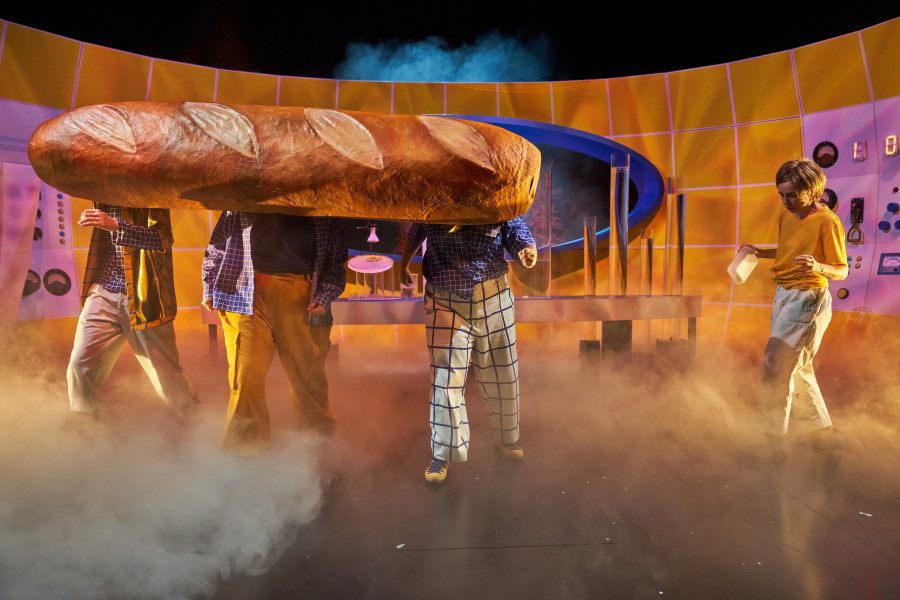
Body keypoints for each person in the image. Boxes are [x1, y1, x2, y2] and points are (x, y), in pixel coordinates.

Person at [400, 218, 537, 483]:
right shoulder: (435, 197)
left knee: (502, 372)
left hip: (493, 295)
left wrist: (525, 248)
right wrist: (403, 264)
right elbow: (416, 228)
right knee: (445, 378)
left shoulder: (493, 194)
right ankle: (443, 452)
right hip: (445, 297)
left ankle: (506, 438)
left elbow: (514, 224)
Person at [201, 212, 347, 451]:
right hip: (247, 293)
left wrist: (324, 296)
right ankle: (245, 455)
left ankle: (318, 452)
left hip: (302, 296)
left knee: (308, 379)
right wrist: (209, 286)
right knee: (245, 376)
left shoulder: (324, 205)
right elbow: (217, 247)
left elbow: (336, 259)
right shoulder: (242, 200)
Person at [740, 158, 848, 445]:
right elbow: (788, 250)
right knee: (797, 367)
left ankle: (771, 442)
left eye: (792, 195)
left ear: (812, 192)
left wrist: (817, 266)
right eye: (781, 194)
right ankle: (821, 431)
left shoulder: (827, 222)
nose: (785, 201)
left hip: (808, 299)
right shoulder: (787, 214)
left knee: (775, 366)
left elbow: (842, 270)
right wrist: (759, 252)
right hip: (783, 294)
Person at [67, 204, 196, 418]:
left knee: (167, 379)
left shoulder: (149, 194)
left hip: (144, 298)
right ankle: (84, 431)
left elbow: (162, 239)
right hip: (103, 291)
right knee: (79, 366)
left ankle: (196, 426)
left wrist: (115, 225)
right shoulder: (102, 194)